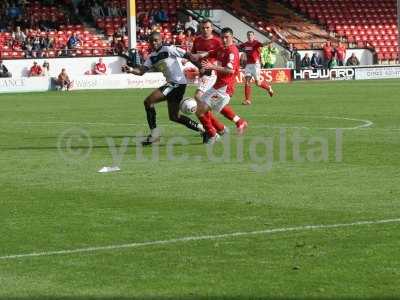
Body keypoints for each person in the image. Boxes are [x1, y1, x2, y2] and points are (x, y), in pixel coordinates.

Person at [122, 31, 204, 146]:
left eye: (156, 40)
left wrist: (200, 67)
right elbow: (141, 71)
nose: (154, 43)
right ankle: (203, 129)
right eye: (151, 41)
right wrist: (130, 70)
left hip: (177, 83)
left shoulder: (168, 49)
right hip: (174, 84)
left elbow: (188, 55)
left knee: (148, 101)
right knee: (174, 117)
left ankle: (154, 136)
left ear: (161, 40)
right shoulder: (151, 57)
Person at [191, 19, 247, 139]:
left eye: (227, 37)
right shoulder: (222, 48)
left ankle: (213, 134)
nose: (224, 40)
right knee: (216, 107)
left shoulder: (232, 52)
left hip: (224, 87)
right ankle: (239, 122)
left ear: (232, 37)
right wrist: (198, 55)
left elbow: (230, 70)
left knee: (200, 110)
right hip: (218, 85)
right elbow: (211, 53)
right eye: (223, 37)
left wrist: (212, 66)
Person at [238, 31, 274, 105]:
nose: (249, 36)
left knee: (258, 83)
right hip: (248, 65)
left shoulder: (256, 43)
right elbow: (237, 47)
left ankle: (268, 88)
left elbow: (263, 44)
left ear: (254, 36)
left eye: (251, 35)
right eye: (248, 35)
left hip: (255, 64)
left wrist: (270, 41)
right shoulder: (245, 44)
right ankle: (247, 100)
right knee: (247, 81)